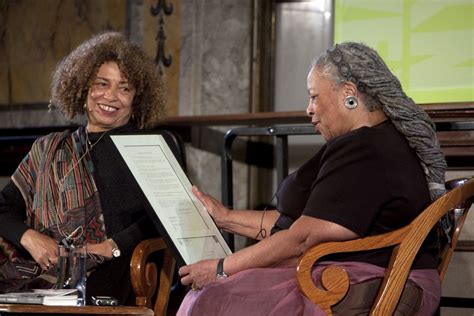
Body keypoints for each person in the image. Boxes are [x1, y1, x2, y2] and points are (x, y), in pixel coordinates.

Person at [177, 42, 447, 315]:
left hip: (374, 284)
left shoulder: (365, 149)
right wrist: (224, 217)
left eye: (314, 97)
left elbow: (302, 239)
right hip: (359, 275)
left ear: (349, 94)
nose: (309, 109)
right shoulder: (373, 141)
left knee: (208, 298)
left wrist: (221, 269)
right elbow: (297, 225)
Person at [0, 31, 177, 305]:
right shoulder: (50, 147)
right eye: (101, 84)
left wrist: (110, 247)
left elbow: (170, 216)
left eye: (125, 88)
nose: (111, 96)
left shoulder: (152, 145)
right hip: (43, 277)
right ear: (83, 89)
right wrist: (30, 238)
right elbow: (3, 207)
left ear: (137, 98)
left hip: (118, 274)